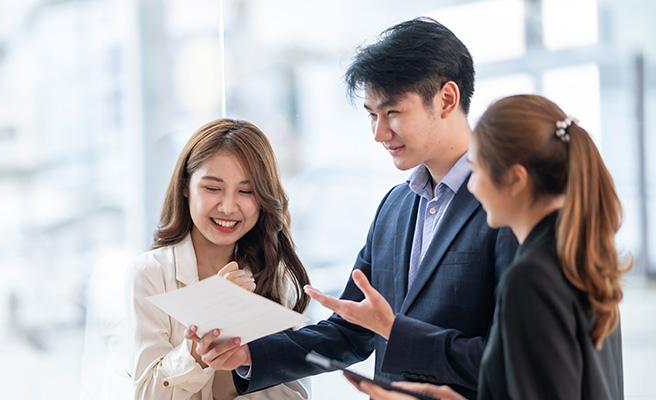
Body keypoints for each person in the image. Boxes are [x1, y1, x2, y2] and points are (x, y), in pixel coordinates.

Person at [185, 18, 518, 399]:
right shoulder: (395, 207)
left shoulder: (508, 206)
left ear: (446, 99)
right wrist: (248, 354)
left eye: (392, 112)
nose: (378, 133)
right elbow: (352, 333)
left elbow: (516, 358)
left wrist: (397, 331)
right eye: (372, 115)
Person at [349, 95, 628, 399]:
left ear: (515, 179)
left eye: (477, 170)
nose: (471, 186)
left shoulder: (531, 275)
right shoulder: (579, 254)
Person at [127, 119, 312, 399]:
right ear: (186, 186)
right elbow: (148, 394)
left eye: (246, 191)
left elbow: (297, 394)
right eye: (212, 189)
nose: (228, 207)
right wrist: (200, 343)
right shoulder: (150, 274)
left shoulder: (275, 274)